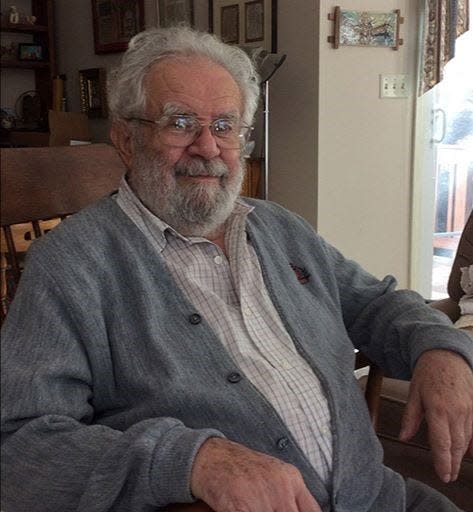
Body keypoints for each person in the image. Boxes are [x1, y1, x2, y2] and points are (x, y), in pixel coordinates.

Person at [1, 26, 472, 512]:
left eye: (226, 125)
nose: (208, 147)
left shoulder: (279, 227)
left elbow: (376, 304)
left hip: (377, 497)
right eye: (180, 123)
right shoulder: (72, 265)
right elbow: (20, 446)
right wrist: (194, 462)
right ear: (125, 139)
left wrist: (438, 346)